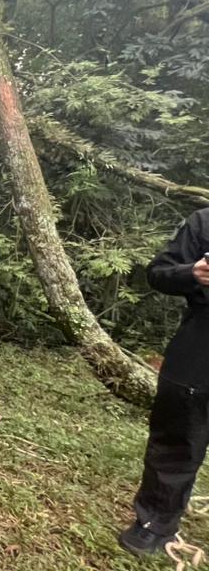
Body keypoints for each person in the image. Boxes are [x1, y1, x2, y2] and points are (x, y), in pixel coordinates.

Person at [120, 207, 209, 556]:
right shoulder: (204, 222)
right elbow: (159, 273)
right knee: (177, 435)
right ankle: (154, 522)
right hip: (200, 343)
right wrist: (193, 272)